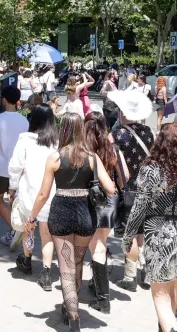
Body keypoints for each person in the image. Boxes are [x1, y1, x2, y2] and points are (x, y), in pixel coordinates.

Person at [24, 114, 115, 331]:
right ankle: (69, 305)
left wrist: (32, 217)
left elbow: (43, 194)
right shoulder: (93, 158)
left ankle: (73, 318)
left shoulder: (55, 158)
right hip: (85, 214)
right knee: (77, 263)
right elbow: (111, 189)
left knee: (65, 268)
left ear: (62, 129)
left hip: (61, 213)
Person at [123, 123, 177, 332]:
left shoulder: (151, 169)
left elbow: (139, 207)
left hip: (158, 232)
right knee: (170, 292)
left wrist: (128, 237)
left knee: (160, 296)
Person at [8, 104, 59, 288]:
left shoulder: (25, 140)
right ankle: (46, 273)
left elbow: (15, 166)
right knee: (47, 235)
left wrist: (12, 188)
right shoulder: (55, 142)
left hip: (28, 191)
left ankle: (27, 261)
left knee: (28, 228)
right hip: (49, 194)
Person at [112, 91, 156, 291]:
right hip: (149, 188)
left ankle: (130, 277)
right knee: (143, 232)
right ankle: (145, 272)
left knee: (130, 233)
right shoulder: (149, 132)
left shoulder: (118, 134)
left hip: (128, 189)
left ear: (123, 112)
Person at [85, 113, 124, 313]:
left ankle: (103, 298)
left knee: (97, 246)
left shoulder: (87, 152)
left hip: (95, 201)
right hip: (112, 201)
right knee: (101, 244)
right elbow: (124, 177)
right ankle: (96, 283)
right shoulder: (112, 150)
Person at [0, 85, 29, 247]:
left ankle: (16, 229)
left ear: (3, 99)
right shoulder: (24, 121)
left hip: (0, 168)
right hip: (19, 169)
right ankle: (17, 231)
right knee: (15, 202)